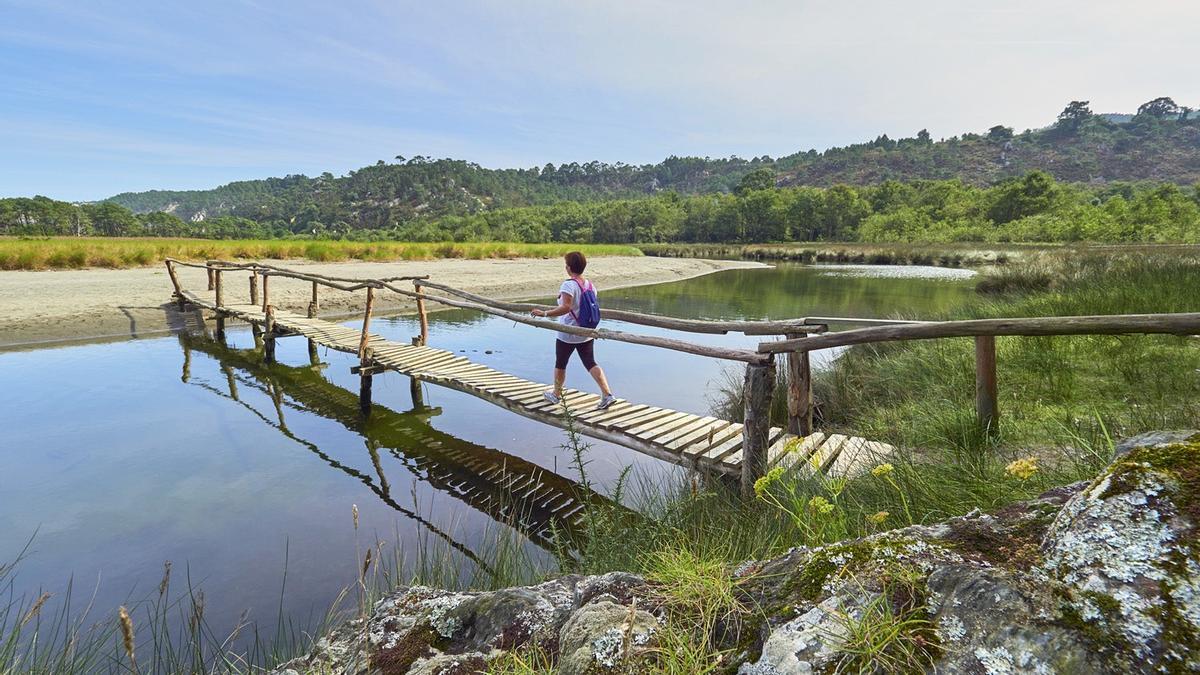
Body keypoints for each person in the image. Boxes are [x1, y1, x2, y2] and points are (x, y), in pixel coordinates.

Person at [530, 251, 616, 410]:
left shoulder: (568, 284)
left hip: (567, 332)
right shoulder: (590, 285)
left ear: (569, 267)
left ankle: (556, 394)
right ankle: (607, 394)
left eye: (566, 264)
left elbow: (566, 307)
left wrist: (545, 313)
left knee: (561, 363)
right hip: (585, 332)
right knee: (590, 362)